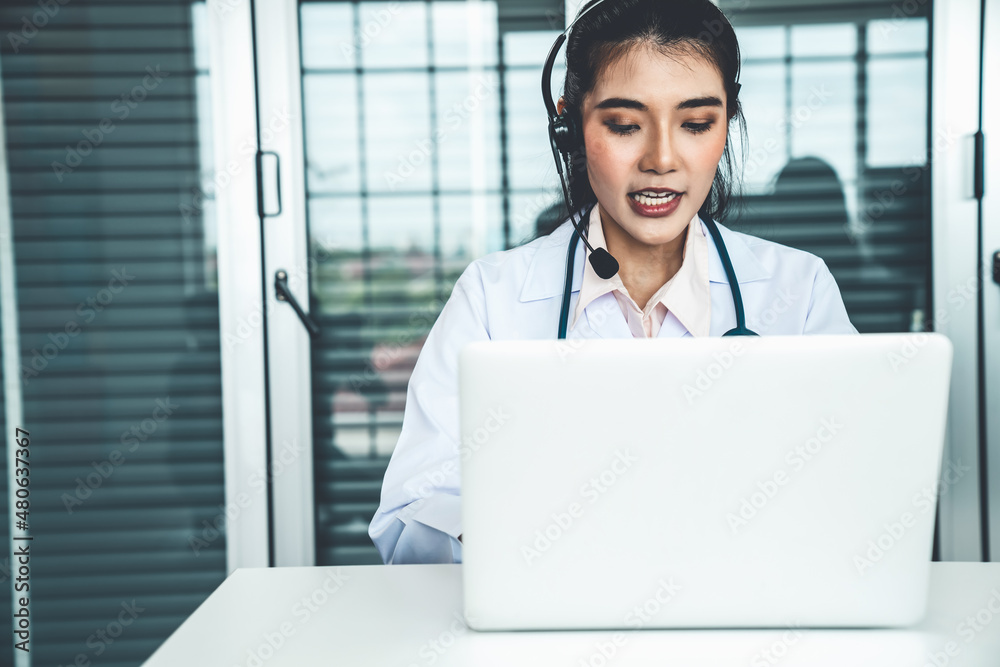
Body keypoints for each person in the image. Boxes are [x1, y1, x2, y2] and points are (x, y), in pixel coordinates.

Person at [369, 0, 858, 565]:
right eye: (624, 125)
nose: (662, 159)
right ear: (571, 124)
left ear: (727, 124)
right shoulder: (492, 298)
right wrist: (512, 541)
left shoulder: (798, 292)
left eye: (697, 123)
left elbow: (851, 496)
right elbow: (411, 519)